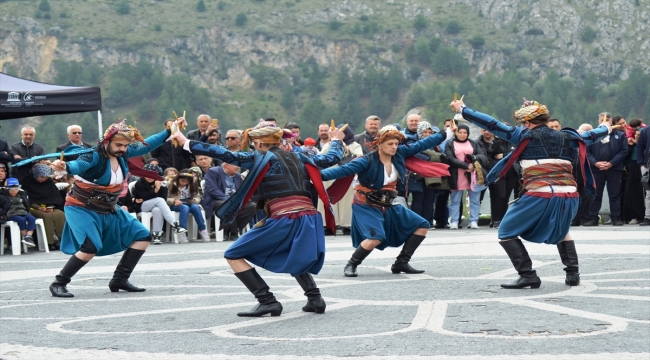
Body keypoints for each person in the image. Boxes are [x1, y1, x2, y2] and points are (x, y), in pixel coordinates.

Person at [171, 119, 345, 317]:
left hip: (284, 218)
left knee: (233, 254)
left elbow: (225, 154)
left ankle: (267, 301)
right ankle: (315, 299)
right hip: (309, 217)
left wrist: (186, 141)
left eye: (254, 144)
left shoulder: (260, 157)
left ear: (260, 144)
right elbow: (331, 157)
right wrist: (337, 140)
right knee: (292, 251)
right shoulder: (302, 156)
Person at [450, 98, 610, 289]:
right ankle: (573, 274)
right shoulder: (568, 137)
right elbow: (592, 135)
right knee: (562, 230)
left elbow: (491, 123)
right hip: (569, 196)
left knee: (506, 231)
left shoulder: (524, 136)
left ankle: (528, 275)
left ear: (527, 122)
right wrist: (606, 127)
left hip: (541, 195)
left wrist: (463, 110)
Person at [40, 118, 182, 298]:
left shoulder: (121, 154)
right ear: (106, 141)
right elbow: (78, 165)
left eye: (125, 145)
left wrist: (171, 130)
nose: (123, 149)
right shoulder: (93, 156)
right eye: (119, 144)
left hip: (109, 208)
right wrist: (66, 166)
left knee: (142, 236)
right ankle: (59, 283)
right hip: (82, 208)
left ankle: (119, 279)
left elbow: (148, 144)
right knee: (90, 247)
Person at [320, 124, 450, 277]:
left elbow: (422, 143)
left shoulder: (400, 153)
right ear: (379, 144)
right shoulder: (366, 161)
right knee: (375, 237)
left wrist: (446, 133)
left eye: (396, 143)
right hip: (366, 204)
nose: (394, 147)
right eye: (390, 144)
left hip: (388, 204)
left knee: (422, 225)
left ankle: (401, 262)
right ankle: (352, 264)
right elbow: (341, 170)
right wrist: (314, 175)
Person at [584, 113, 628, 226]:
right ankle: (593, 218)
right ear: (598, 121)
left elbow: (624, 151)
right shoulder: (592, 135)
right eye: (602, 119)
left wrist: (611, 163)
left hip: (614, 168)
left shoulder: (620, 135)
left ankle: (616, 217)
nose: (605, 121)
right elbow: (586, 151)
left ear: (611, 121)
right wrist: (595, 163)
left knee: (614, 194)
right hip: (596, 169)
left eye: (607, 119)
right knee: (595, 194)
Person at [133, 163, 188, 244]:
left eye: (152, 175)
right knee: (158, 200)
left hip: (157, 205)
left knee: (157, 209)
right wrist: (155, 190)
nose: (149, 177)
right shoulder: (140, 183)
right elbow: (144, 197)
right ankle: (174, 224)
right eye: (147, 174)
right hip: (142, 206)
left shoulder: (162, 182)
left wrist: (160, 187)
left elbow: (164, 198)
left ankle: (157, 235)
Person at [445, 124, 487, 229]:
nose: (463, 135)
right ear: (456, 133)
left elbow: (481, 155)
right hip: (456, 175)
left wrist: (473, 162)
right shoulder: (450, 143)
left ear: (468, 133)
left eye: (465, 133)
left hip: (472, 175)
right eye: (460, 132)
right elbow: (450, 158)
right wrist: (466, 165)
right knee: (455, 200)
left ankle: (474, 221)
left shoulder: (473, 143)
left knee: (475, 199)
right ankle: (454, 221)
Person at [202, 162, 256, 241]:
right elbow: (212, 190)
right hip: (216, 200)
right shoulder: (213, 172)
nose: (238, 166)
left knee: (252, 206)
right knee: (228, 204)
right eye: (236, 164)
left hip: (234, 201)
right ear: (227, 165)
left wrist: (245, 198)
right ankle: (234, 233)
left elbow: (242, 191)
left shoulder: (237, 175)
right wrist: (229, 200)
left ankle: (227, 229)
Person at [477, 128, 518, 229]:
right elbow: (491, 154)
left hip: (512, 171)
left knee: (507, 197)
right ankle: (496, 219)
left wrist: (504, 155)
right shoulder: (496, 142)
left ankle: (502, 219)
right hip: (499, 172)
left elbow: (517, 155)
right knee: (500, 196)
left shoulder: (515, 142)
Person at [21, 163, 65, 250]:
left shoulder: (49, 182)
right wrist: (39, 208)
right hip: (33, 207)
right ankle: (50, 242)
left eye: (45, 177)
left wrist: (51, 206)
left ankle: (62, 240)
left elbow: (55, 197)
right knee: (46, 216)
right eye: (41, 177)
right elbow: (27, 199)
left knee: (60, 214)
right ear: (36, 174)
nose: (44, 179)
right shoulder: (27, 181)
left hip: (49, 207)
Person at [166, 169, 209, 243]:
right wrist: (174, 200)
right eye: (182, 181)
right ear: (178, 178)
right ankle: (182, 231)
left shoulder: (193, 184)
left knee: (196, 207)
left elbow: (198, 197)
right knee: (185, 208)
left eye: (187, 182)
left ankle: (203, 230)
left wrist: (194, 200)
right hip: (175, 204)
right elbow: (165, 198)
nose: (184, 183)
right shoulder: (171, 184)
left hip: (189, 202)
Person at [0, 177, 37, 248]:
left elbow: (27, 204)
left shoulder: (22, 194)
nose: (13, 191)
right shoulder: (2, 196)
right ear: (6, 188)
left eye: (16, 189)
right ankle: (24, 236)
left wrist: (27, 211)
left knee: (32, 218)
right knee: (21, 220)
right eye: (11, 189)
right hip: (11, 214)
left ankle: (28, 236)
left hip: (23, 212)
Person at [636, 126, 650, 226]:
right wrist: (641, 164)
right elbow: (640, 147)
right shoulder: (646, 131)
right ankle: (648, 216)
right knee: (648, 193)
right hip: (647, 166)